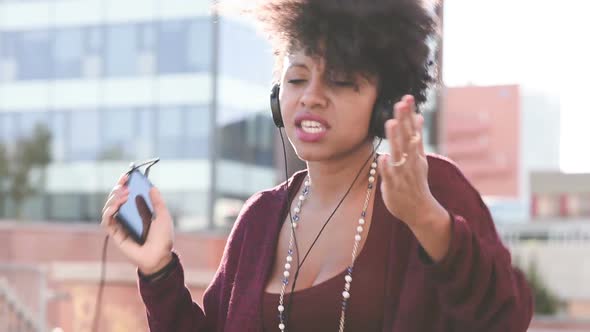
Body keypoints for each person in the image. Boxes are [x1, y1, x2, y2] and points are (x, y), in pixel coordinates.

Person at [101, 0, 533, 331]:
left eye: (341, 80)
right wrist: (158, 268)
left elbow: (506, 316)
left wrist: (427, 220)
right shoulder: (258, 219)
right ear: (277, 97)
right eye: (297, 78)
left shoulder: (429, 185)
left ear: (384, 102)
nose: (312, 95)